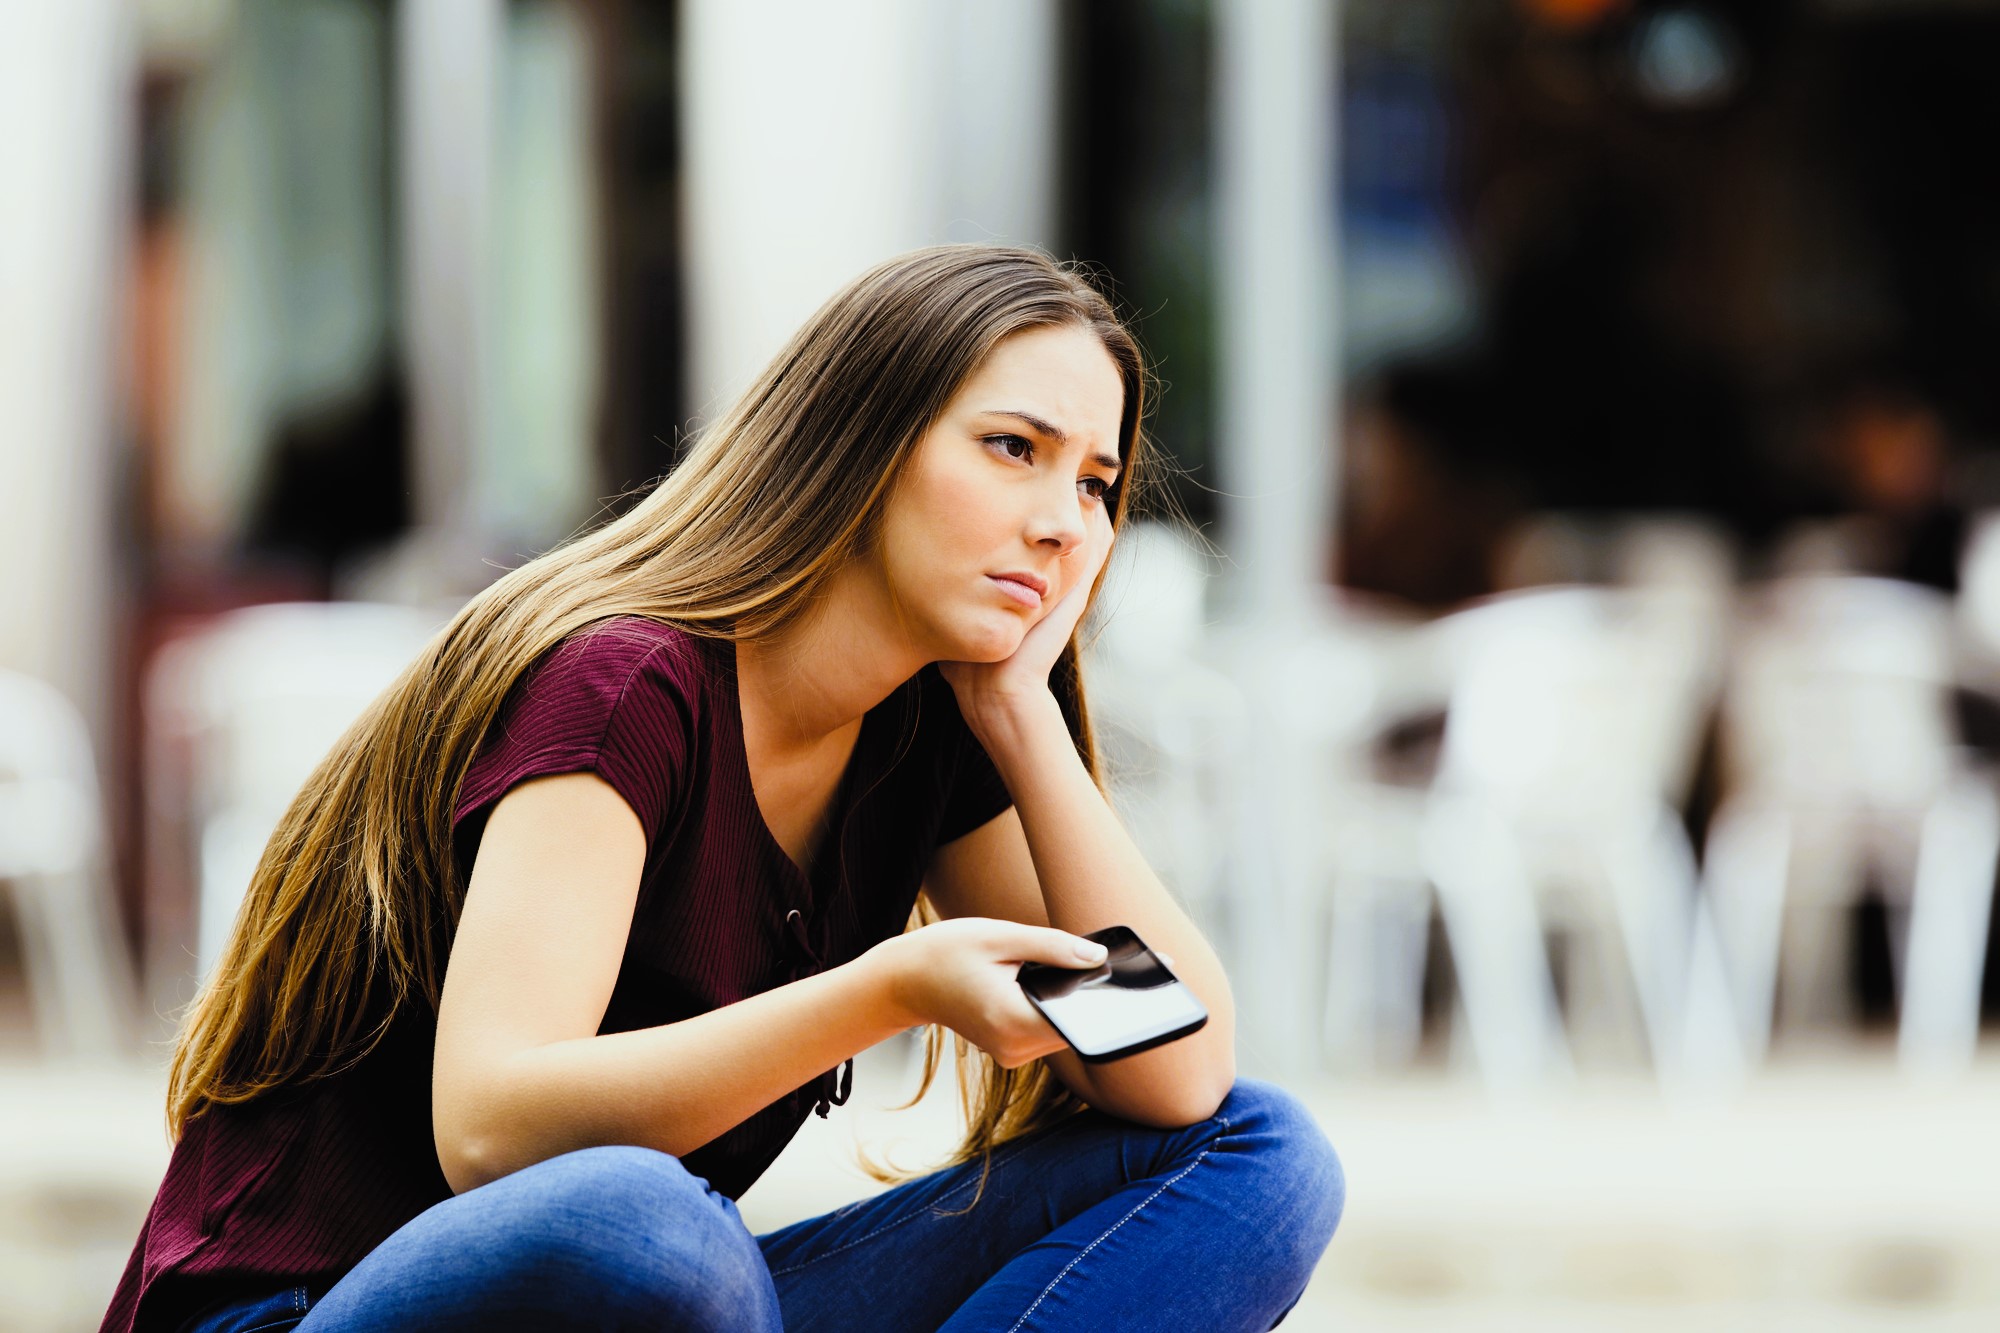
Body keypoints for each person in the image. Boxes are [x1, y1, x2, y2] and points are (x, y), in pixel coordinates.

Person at [104, 245, 1344, 1333]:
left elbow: (1170, 1071)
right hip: (318, 1307)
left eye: (1092, 482)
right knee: (652, 1226)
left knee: (1262, 1153)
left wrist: (1020, 714)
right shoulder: (623, 682)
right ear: (859, 441)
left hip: (690, 1301)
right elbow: (488, 1125)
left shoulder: (926, 728)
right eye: (1012, 448)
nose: (1063, 522)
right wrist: (887, 988)